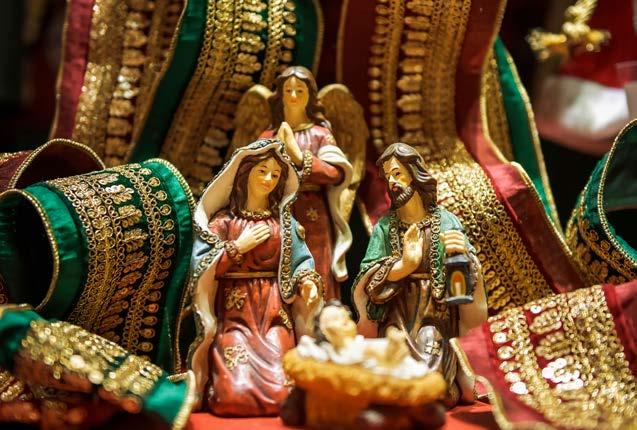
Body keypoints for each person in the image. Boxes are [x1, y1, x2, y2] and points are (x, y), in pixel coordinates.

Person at [189, 139, 324, 416]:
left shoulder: (284, 224)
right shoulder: (223, 223)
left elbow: (300, 261)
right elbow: (201, 269)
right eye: (261, 171)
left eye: (275, 175)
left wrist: (307, 282)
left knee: (284, 393)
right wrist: (238, 247)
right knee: (232, 396)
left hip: (274, 315)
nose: (268, 180)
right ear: (245, 174)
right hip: (235, 317)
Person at [352, 143, 487, 405]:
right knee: (395, 366)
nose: (393, 182)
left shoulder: (445, 221)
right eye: (388, 177)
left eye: (398, 174)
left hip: (434, 316)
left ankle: (443, 386)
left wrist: (461, 257)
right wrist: (405, 265)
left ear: (415, 174)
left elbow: (462, 287)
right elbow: (367, 279)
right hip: (397, 315)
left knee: (428, 372)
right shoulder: (385, 227)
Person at [259, 66, 353, 300]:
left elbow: (336, 173)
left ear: (310, 95)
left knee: (316, 263)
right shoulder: (267, 136)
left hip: (313, 211)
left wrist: (300, 158)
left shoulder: (320, 134)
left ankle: (321, 315)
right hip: (277, 211)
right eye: (288, 90)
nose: (293, 96)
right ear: (280, 95)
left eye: (299, 90)